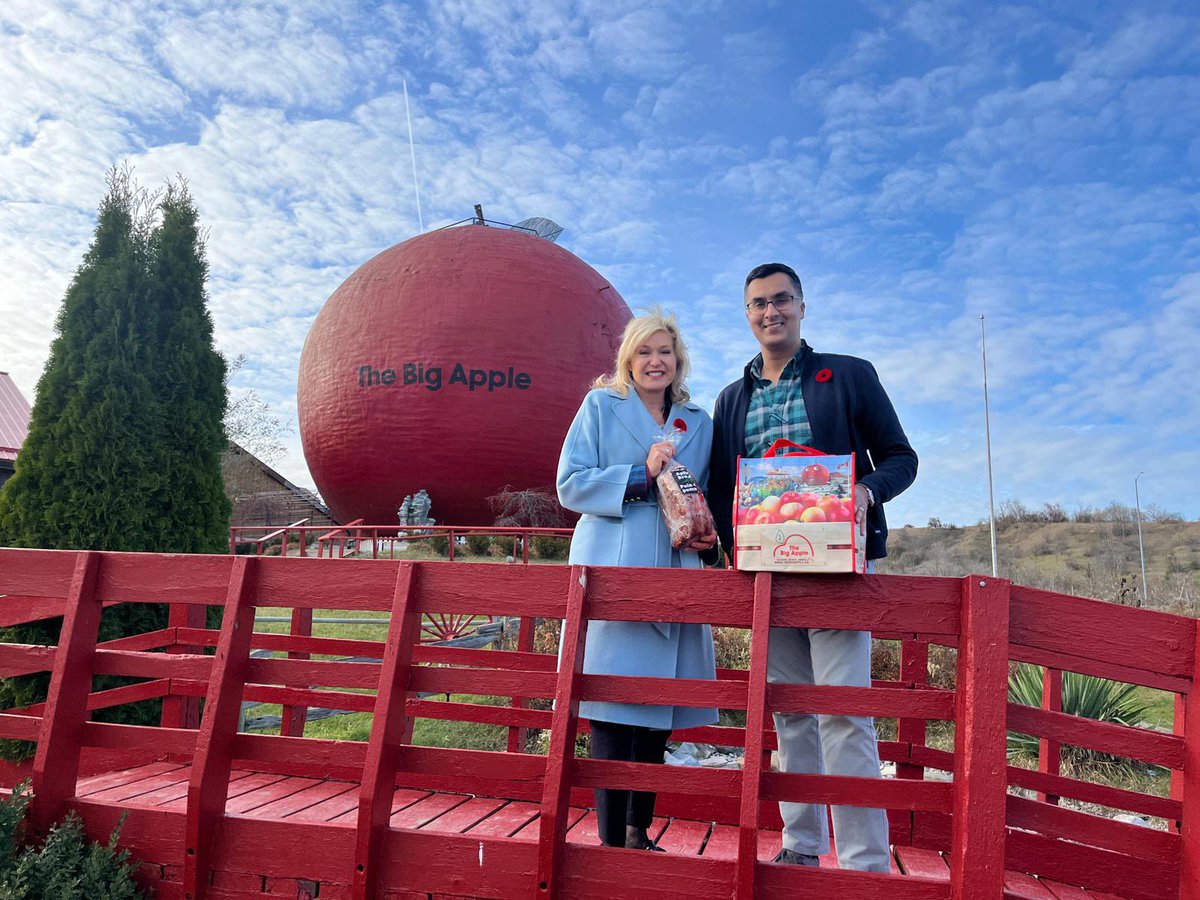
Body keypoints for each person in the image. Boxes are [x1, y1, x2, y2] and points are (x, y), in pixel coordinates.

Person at [707, 263, 918, 872]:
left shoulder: (849, 376)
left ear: (802, 306)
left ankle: (864, 862)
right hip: (766, 579)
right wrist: (729, 546)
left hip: (836, 572)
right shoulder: (732, 398)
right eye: (758, 304)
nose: (770, 312)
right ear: (746, 315)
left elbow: (901, 457)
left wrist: (865, 493)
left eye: (781, 300)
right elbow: (724, 488)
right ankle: (802, 844)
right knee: (790, 713)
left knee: (844, 714)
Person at [556, 308, 719, 851]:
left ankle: (636, 831)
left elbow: (706, 499)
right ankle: (609, 839)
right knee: (610, 703)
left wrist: (709, 541)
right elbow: (570, 485)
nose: (656, 361)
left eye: (665, 352)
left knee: (655, 706)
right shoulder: (601, 406)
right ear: (629, 357)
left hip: (675, 568)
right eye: (645, 351)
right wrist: (638, 475)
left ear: (678, 360)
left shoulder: (700, 421)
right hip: (613, 567)